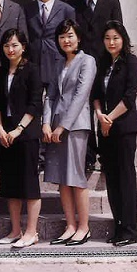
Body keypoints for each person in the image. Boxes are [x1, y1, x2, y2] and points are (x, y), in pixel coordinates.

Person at [43, 19, 96, 246]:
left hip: (75, 126)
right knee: (62, 178)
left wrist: (62, 126)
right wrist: (46, 123)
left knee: (75, 176)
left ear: (79, 38)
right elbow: (51, 95)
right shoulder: (58, 63)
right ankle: (70, 226)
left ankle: (84, 227)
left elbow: (80, 96)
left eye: (70, 35)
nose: (66, 40)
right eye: (62, 36)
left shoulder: (87, 61)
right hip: (55, 125)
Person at [68, 0, 123, 171]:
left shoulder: (112, 3)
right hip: (82, 66)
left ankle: (107, 155)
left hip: (105, 66)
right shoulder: (73, 5)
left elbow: (118, 34)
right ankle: (89, 155)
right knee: (85, 110)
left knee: (105, 110)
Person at [92, 21, 137, 247]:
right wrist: (100, 115)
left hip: (123, 128)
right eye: (107, 38)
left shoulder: (130, 61)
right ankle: (118, 227)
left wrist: (109, 118)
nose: (111, 42)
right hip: (105, 129)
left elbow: (130, 97)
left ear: (123, 39)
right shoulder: (103, 64)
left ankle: (130, 231)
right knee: (112, 179)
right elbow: (95, 95)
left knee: (125, 178)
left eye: (116, 38)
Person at [0, 29, 42, 248]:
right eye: (6, 45)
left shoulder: (32, 70)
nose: (10, 49)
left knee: (29, 184)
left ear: (23, 46)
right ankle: (15, 230)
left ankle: (31, 232)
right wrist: (0, 129)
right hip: (6, 135)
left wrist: (19, 129)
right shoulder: (0, 72)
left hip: (26, 134)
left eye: (14, 45)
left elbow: (35, 103)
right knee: (10, 185)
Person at [24, 0, 75, 89]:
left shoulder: (67, 10)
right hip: (34, 66)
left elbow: (73, 40)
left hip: (58, 65)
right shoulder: (26, 10)